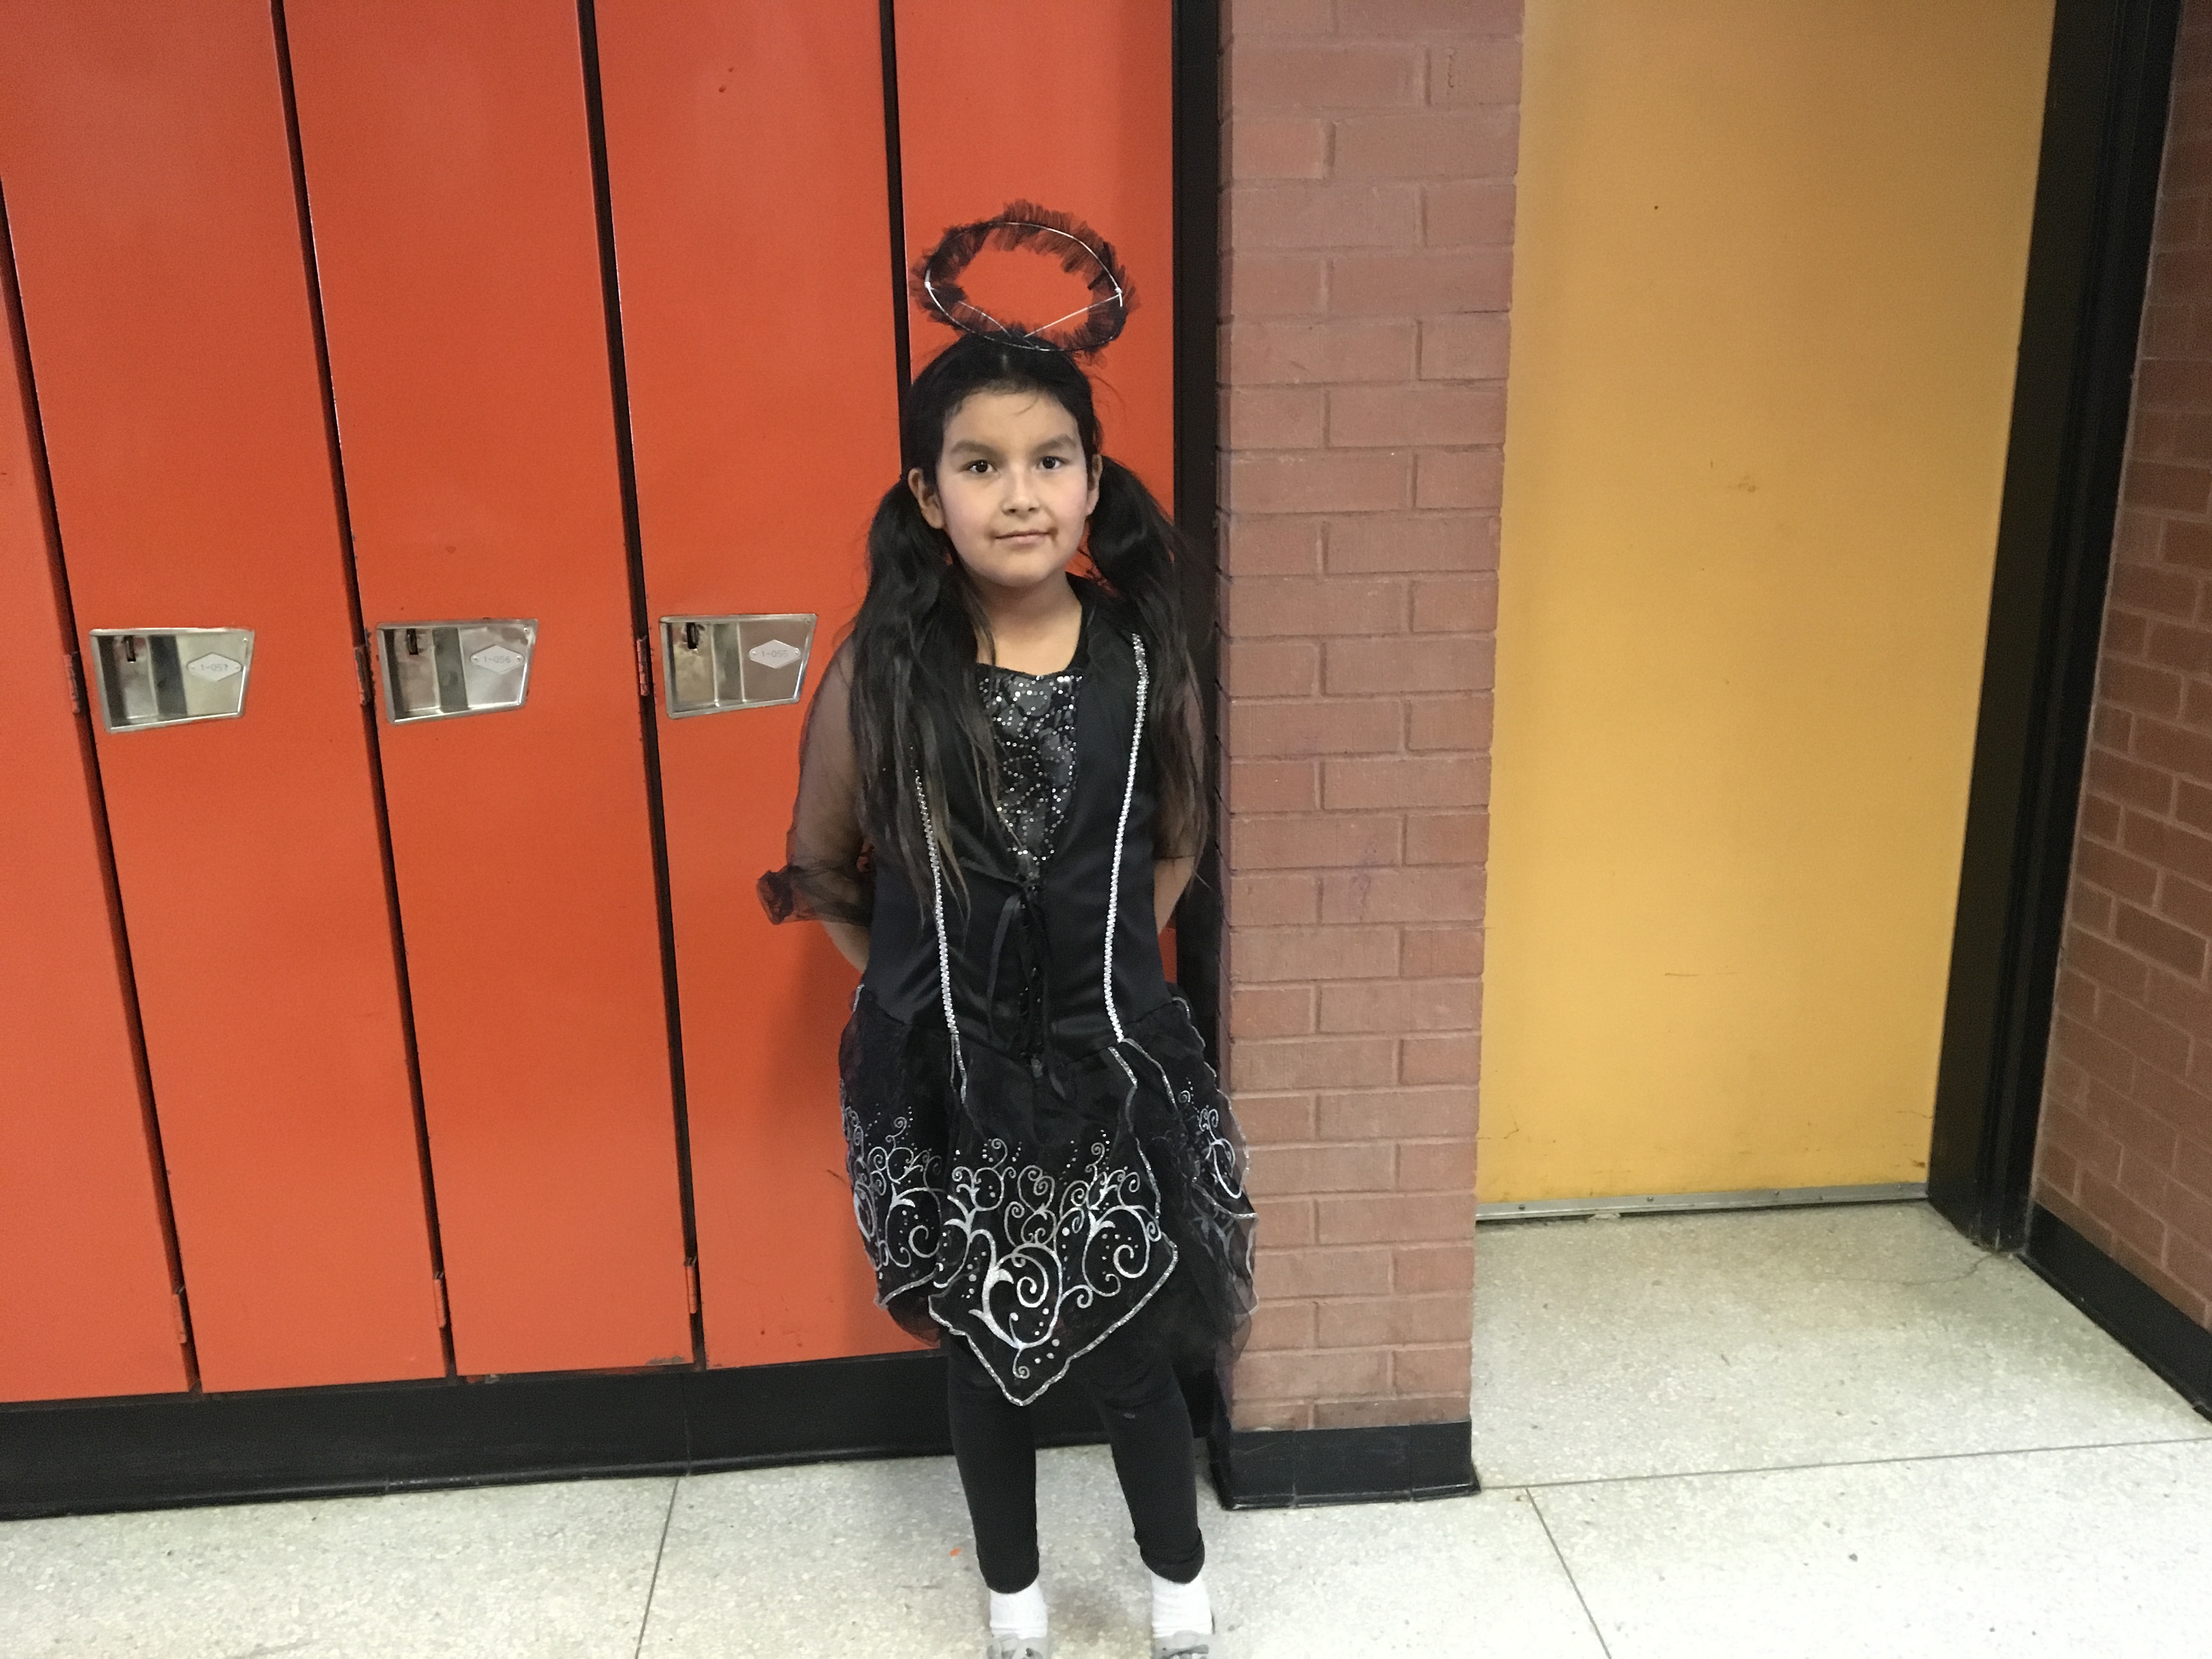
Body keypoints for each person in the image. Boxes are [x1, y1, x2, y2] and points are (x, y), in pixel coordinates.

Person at [758, 208, 1256, 1659]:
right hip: (954, 1086)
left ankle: (1178, 1587)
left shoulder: (1145, 660)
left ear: (1094, 481)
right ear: (929, 496)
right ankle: (1015, 1604)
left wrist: (1094, 976)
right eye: (980, 467)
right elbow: (828, 871)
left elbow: (1175, 840)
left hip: (1110, 1070)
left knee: (1132, 1345)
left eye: (1050, 462)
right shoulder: (884, 672)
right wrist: (922, 1001)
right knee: (983, 1360)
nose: (1020, 496)